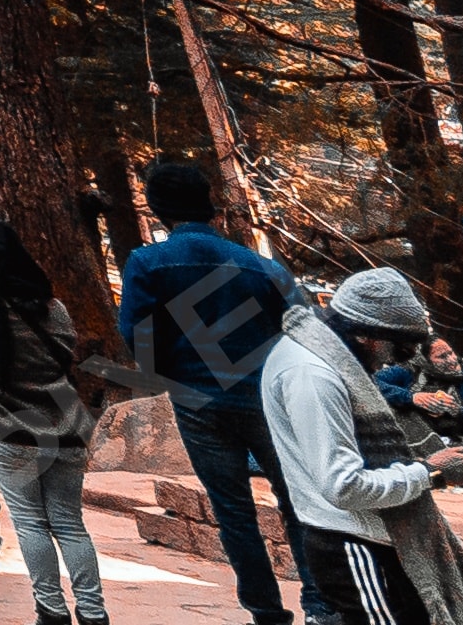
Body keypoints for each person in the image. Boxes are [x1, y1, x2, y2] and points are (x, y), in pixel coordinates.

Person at [262, 271, 463, 625]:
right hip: (351, 542)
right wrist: (431, 472)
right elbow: (343, 486)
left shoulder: (316, 352)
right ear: (367, 335)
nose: (393, 361)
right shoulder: (314, 375)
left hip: (369, 536)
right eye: (397, 348)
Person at [126, 163, 306, 625]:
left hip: (199, 400)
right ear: (209, 204)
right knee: (297, 500)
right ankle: (323, 603)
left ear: (158, 208)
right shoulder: (258, 264)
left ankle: (267, 612)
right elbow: (299, 328)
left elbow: (137, 336)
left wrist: (171, 376)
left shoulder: (147, 262)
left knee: (233, 511)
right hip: (268, 395)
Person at [0, 223, 124, 625]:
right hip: (66, 425)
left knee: (30, 522)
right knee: (70, 523)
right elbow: (67, 349)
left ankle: (52, 610)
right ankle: (94, 612)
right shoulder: (51, 305)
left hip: (7, 428)